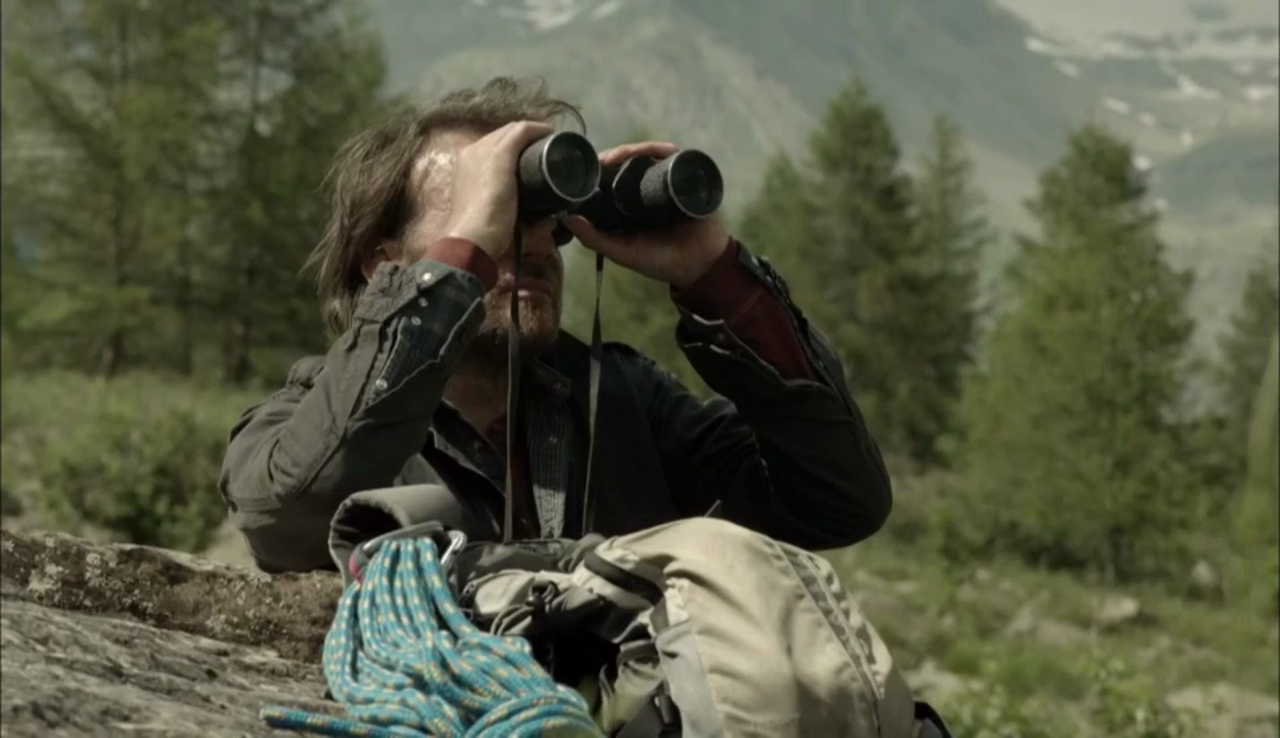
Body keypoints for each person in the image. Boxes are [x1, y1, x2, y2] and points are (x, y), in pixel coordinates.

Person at [218, 77, 893, 573]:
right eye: (496, 213)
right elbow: (285, 517)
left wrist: (719, 278)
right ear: (384, 265)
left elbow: (838, 502)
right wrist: (464, 257)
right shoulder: (306, 420)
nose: (536, 245)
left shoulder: (626, 403)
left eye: (543, 218)